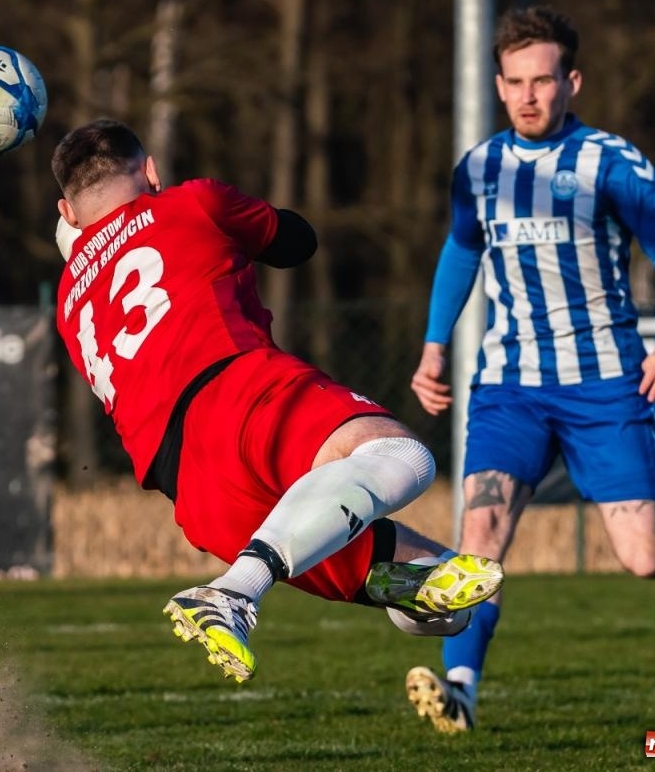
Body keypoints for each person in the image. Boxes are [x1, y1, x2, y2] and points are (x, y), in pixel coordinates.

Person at [404, 6, 655, 733]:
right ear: (498, 85)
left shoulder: (612, 163)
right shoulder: (479, 168)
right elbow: (462, 249)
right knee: (482, 533)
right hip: (510, 384)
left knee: (643, 555)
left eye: (542, 80)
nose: (528, 96)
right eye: (514, 82)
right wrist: (434, 342)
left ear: (571, 82)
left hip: (606, 384)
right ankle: (461, 688)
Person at [51, 119, 503, 685]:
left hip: (189, 488)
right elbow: (296, 242)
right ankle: (234, 592)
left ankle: (298, 581)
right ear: (151, 171)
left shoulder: (67, 303)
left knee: (448, 600)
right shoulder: (191, 202)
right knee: (403, 457)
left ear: (67, 213)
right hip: (236, 392)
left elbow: (109, 261)